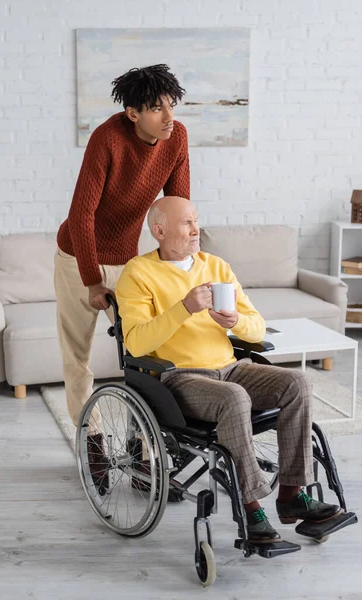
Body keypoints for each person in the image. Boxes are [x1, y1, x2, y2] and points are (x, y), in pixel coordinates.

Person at [115, 196, 342, 543]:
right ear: (159, 231)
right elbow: (136, 344)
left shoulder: (216, 267)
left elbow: (257, 328)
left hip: (230, 368)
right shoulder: (138, 273)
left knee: (297, 382)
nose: (196, 229)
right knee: (234, 398)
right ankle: (251, 510)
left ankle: (292, 495)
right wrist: (184, 308)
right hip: (180, 377)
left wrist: (235, 321)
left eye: (196, 220)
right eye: (186, 223)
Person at [54, 65, 190, 433]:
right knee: (77, 357)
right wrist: (92, 280)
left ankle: (142, 445)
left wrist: (180, 265)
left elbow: (177, 205)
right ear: (133, 114)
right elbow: (82, 214)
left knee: (144, 355)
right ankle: (92, 438)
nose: (169, 117)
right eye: (157, 109)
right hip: (78, 257)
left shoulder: (177, 138)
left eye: (172, 106)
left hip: (128, 259)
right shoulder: (107, 139)